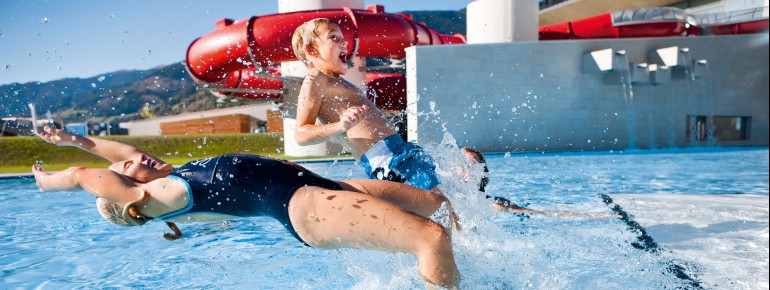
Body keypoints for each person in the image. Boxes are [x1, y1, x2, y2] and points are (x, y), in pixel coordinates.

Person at [33, 126, 459, 289]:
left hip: (328, 186)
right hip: (307, 205)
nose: (135, 158)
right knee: (430, 237)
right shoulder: (157, 199)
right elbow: (82, 175)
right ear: (128, 201)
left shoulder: (168, 177)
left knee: (440, 207)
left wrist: (75, 139)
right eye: (126, 171)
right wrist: (48, 181)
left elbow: (116, 151)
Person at [290, 18, 441, 192]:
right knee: (441, 208)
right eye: (333, 37)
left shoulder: (334, 82)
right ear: (311, 51)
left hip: (400, 153)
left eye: (341, 37)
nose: (344, 42)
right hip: (387, 160)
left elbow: (321, 124)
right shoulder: (315, 79)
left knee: (443, 207)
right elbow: (301, 134)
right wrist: (340, 125)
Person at [460, 147, 615, 219]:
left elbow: (540, 213)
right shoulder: (439, 202)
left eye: (474, 167)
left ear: (482, 175)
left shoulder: (494, 204)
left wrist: (591, 216)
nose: (469, 172)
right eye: (463, 166)